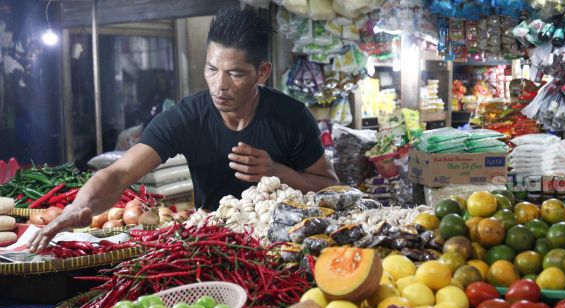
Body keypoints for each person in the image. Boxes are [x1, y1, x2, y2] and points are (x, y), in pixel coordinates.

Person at [28, 9, 339, 252]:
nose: (220, 85)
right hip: (217, 246)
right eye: (212, 69)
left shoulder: (292, 117)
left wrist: (276, 171)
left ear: (262, 72)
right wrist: (79, 208)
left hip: (285, 245)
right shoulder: (188, 117)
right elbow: (119, 173)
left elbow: (332, 188)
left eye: (235, 73)